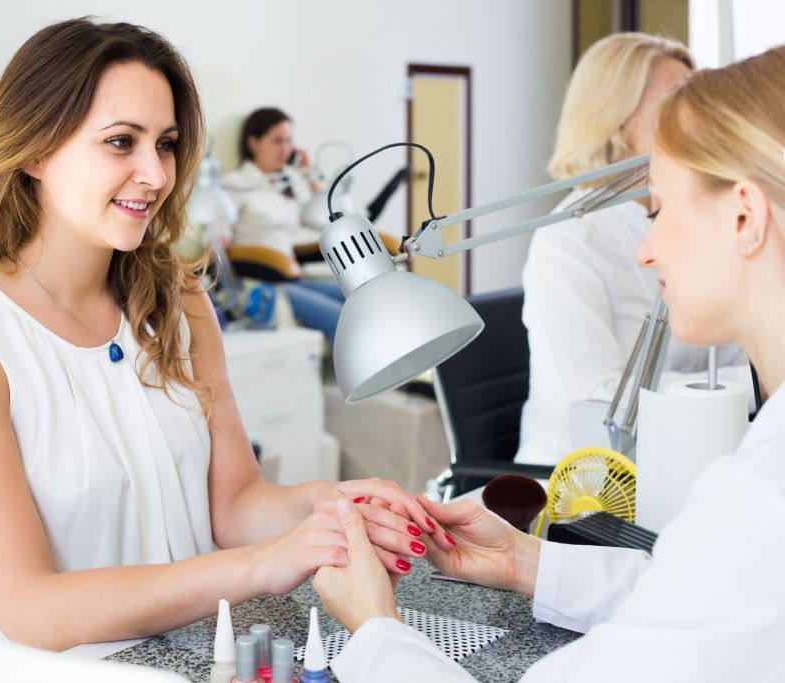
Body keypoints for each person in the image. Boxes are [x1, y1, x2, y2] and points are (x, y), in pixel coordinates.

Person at [0, 19, 434, 651]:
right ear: (35, 149)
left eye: (167, 143)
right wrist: (267, 564)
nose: (155, 174)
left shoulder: (179, 302)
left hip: (192, 653)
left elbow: (232, 506)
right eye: (122, 141)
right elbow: (30, 610)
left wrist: (330, 505)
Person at [313, 45, 785, 681]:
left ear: (746, 216)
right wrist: (524, 561)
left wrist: (374, 629)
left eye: (660, 208)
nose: (647, 251)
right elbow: (704, 591)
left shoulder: (758, 499)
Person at [516, 33, 752, 466]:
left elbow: (740, 350)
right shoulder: (567, 241)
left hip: (680, 454)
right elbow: (600, 404)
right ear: (616, 120)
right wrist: (746, 384)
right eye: (677, 101)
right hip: (580, 480)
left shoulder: (691, 223)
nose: (697, 116)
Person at [220, 107, 346, 346]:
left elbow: (330, 220)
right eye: (277, 141)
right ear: (253, 143)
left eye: (289, 142)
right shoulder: (235, 184)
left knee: (358, 296)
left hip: (291, 277)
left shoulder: (288, 184)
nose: (285, 149)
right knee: (343, 318)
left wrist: (310, 174)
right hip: (259, 282)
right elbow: (219, 240)